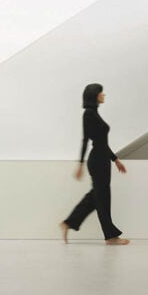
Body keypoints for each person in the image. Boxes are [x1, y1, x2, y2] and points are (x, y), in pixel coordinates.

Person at [59, 83, 130, 245]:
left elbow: (102, 142)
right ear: (94, 95)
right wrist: (80, 164)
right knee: (103, 198)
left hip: (102, 158)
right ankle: (111, 237)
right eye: (101, 93)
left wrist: (115, 159)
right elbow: (86, 140)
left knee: (96, 197)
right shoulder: (89, 114)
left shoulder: (94, 113)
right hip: (98, 160)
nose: (103, 95)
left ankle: (68, 223)